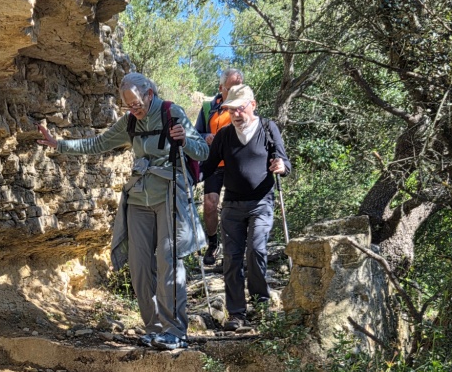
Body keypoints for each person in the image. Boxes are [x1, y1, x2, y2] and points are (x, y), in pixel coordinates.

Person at [37, 72, 208, 351]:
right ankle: (154, 329)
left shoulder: (172, 113)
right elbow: (98, 143)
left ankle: (175, 331)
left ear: (150, 94)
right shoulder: (129, 121)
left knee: (168, 261)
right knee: (139, 266)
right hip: (139, 197)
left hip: (169, 195)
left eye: (137, 104)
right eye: (129, 105)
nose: (134, 109)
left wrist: (185, 141)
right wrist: (59, 145)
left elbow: (203, 152)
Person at [199, 84, 291, 332]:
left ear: (253, 105)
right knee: (232, 259)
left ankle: (261, 305)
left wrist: (281, 166)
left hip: (261, 202)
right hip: (232, 205)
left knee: (256, 251)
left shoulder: (268, 128)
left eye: (240, 108)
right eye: (231, 110)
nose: (236, 114)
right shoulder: (224, 134)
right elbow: (208, 166)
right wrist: (188, 174)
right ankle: (237, 313)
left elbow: (284, 160)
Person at [194, 68, 244, 267]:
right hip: (213, 163)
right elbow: (195, 133)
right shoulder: (209, 107)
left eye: (238, 87)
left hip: (236, 163)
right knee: (209, 205)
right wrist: (205, 136)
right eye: (230, 88)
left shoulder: (245, 105)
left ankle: (234, 248)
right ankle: (213, 243)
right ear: (221, 87)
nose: (234, 91)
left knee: (234, 207)